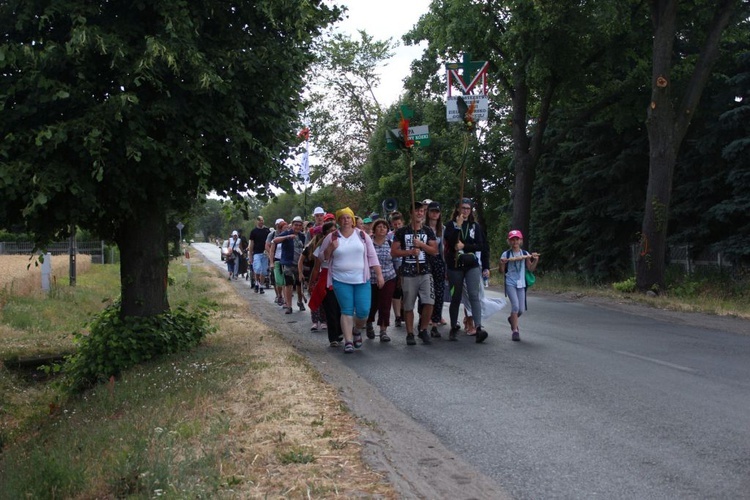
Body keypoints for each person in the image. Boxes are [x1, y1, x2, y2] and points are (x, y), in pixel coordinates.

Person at [318, 207, 384, 354]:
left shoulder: (362, 235)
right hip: (340, 280)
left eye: (348, 217)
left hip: (361, 279)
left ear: (353, 219)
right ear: (338, 221)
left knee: (363, 312)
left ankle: (356, 330)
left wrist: (379, 275)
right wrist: (330, 248)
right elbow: (322, 257)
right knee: (346, 310)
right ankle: (348, 341)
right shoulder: (332, 237)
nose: (345, 220)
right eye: (342, 218)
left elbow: (372, 256)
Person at [391, 201, 438, 346]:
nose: (420, 213)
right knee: (409, 305)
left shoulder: (428, 230)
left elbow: (434, 250)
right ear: (411, 213)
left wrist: (422, 245)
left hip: (425, 271)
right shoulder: (401, 232)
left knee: (429, 301)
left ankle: (423, 329)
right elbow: (393, 252)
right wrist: (410, 252)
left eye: (422, 211)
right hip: (408, 272)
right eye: (417, 211)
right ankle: (410, 333)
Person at [444, 198, 490, 343]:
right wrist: (457, 227)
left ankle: (478, 328)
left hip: (471, 265)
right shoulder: (450, 225)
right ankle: (453, 327)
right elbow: (450, 241)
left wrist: (465, 247)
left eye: (468, 208)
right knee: (456, 297)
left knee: (474, 295)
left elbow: (481, 246)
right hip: (455, 266)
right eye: (463, 208)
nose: (465, 211)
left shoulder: (475, 226)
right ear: (458, 209)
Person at [499, 229, 539, 341]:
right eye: (512, 240)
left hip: (521, 284)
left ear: (520, 241)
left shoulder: (525, 254)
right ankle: (515, 331)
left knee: (521, 309)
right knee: (515, 306)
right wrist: (502, 263)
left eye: (517, 239)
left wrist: (535, 260)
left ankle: (512, 318)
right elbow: (501, 271)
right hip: (510, 283)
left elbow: (530, 268)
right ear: (509, 241)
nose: (515, 242)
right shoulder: (506, 254)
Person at [366, 218, 398, 342]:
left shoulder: (390, 243)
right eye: (379, 227)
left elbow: (396, 261)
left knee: (385, 304)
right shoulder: (368, 244)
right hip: (371, 279)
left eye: (384, 227)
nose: (382, 229)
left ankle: (383, 330)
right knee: (372, 304)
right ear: (374, 230)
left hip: (389, 277)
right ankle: (368, 323)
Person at [310, 222, 341, 346]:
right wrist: (312, 282)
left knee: (341, 308)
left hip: (341, 277)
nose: (332, 233)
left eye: (335, 230)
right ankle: (333, 337)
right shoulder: (320, 248)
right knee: (331, 308)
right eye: (329, 231)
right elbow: (317, 267)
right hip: (326, 279)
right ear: (325, 234)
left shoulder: (342, 244)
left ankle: (341, 332)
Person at [273, 216, 306, 314]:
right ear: (292, 225)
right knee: (288, 284)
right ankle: (289, 305)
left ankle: (300, 302)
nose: (297, 227)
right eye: (296, 225)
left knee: (299, 284)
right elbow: (275, 240)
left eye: (300, 225)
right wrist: (287, 237)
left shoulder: (302, 236)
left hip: (299, 263)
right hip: (288, 262)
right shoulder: (287, 233)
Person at [424, 200, 447, 337]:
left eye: (437, 211)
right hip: (426, 260)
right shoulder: (422, 228)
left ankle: (435, 322)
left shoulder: (442, 229)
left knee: (439, 292)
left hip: (438, 261)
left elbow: (444, 248)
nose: (434, 214)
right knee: (426, 292)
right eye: (432, 211)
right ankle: (424, 320)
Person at [387, 211, 405, 327]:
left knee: (406, 292)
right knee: (396, 292)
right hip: (394, 266)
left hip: (406, 264)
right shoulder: (389, 236)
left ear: (402, 223)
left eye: (399, 224)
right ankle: (397, 316)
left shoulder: (407, 233)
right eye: (395, 224)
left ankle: (403, 311)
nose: (397, 226)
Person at [249, 216, 270, 294]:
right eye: (259, 220)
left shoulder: (267, 231)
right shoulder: (253, 231)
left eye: (262, 220)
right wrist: (250, 255)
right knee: (257, 269)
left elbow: (269, 242)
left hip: (265, 253)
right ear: (256, 222)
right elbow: (251, 244)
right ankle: (257, 283)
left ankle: (261, 286)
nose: (261, 222)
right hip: (256, 253)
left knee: (264, 271)